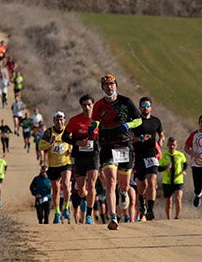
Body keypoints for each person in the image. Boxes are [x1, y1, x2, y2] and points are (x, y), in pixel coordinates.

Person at [91, 74, 142, 230]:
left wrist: (128, 125)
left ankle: (124, 192)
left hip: (124, 144)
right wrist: (93, 127)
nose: (109, 87)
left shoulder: (125, 102)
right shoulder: (99, 105)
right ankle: (113, 215)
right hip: (107, 145)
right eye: (106, 85)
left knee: (124, 184)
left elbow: (139, 119)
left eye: (112, 84)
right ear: (102, 87)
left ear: (116, 85)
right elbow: (95, 120)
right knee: (111, 180)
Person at [64, 95, 100, 224]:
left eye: (89, 104)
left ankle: (89, 216)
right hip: (79, 157)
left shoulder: (98, 120)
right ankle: (84, 198)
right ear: (81, 106)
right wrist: (77, 142)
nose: (87, 107)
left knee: (91, 184)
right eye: (84, 105)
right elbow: (64, 136)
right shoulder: (75, 120)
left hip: (93, 156)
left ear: (93, 105)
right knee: (80, 190)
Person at [38, 111, 74, 224]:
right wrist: (50, 143)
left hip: (65, 163)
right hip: (53, 166)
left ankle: (66, 208)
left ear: (64, 120)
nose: (59, 122)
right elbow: (40, 146)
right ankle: (58, 213)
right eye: (57, 120)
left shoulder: (68, 132)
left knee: (66, 184)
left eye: (61, 119)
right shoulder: (48, 132)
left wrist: (71, 149)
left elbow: (73, 142)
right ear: (54, 120)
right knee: (56, 190)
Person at [132, 96, 164, 221]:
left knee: (152, 181)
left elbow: (161, 134)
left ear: (151, 108)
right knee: (142, 184)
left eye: (148, 106)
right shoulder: (136, 122)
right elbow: (129, 138)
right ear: (140, 108)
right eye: (143, 106)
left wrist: (161, 140)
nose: (145, 108)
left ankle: (150, 210)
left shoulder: (156, 121)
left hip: (152, 154)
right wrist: (139, 138)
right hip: (139, 155)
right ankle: (141, 200)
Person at [159, 137, 187, 219]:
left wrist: (184, 170)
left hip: (178, 180)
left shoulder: (180, 154)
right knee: (169, 202)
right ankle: (169, 219)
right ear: (167, 145)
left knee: (178, 198)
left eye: (173, 145)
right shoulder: (163, 155)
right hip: (167, 182)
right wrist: (166, 167)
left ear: (176, 145)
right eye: (170, 145)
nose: (172, 147)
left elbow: (185, 163)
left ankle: (177, 217)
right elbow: (158, 168)